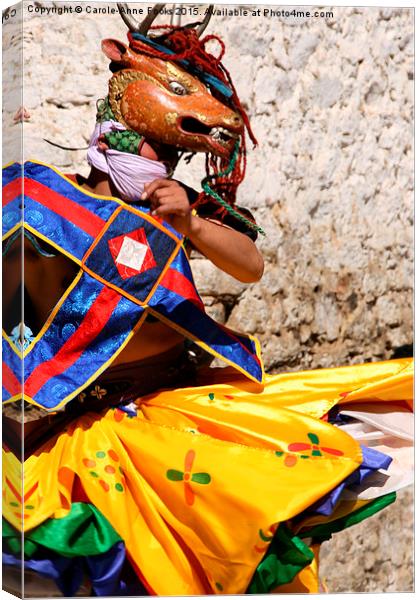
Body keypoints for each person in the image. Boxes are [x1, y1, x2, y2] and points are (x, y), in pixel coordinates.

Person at [2, 5, 413, 597]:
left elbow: (250, 265)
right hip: (92, 430)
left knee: (247, 526)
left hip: (182, 403)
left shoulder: (179, 204)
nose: (163, 166)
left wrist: (192, 225)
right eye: (176, 97)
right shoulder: (39, 203)